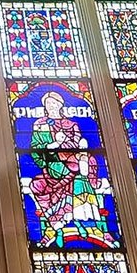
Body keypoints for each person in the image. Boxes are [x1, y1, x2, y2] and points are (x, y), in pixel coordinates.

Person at [28, 90, 108, 244]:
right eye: (48, 103)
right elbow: (35, 146)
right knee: (37, 185)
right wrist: (52, 145)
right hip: (52, 164)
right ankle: (57, 227)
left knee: (80, 173)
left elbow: (77, 142)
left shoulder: (71, 125)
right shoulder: (39, 124)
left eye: (54, 103)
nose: (51, 106)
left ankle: (85, 225)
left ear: (60, 105)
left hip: (71, 159)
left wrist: (64, 143)